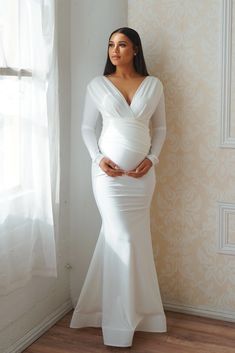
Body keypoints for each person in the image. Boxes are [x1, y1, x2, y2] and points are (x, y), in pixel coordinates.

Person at [70, 26, 167, 347]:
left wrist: (152, 159)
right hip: (108, 177)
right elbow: (86, 128)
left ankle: (141, 313)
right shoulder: (97, 85)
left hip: (142, 178)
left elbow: (161, 127)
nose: (115, 50)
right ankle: (118, 323)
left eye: (122, 44)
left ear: (135, 49)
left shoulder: (153, 85)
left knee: (132, 239)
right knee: (122, 237)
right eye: (111, 44)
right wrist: (98, 158)